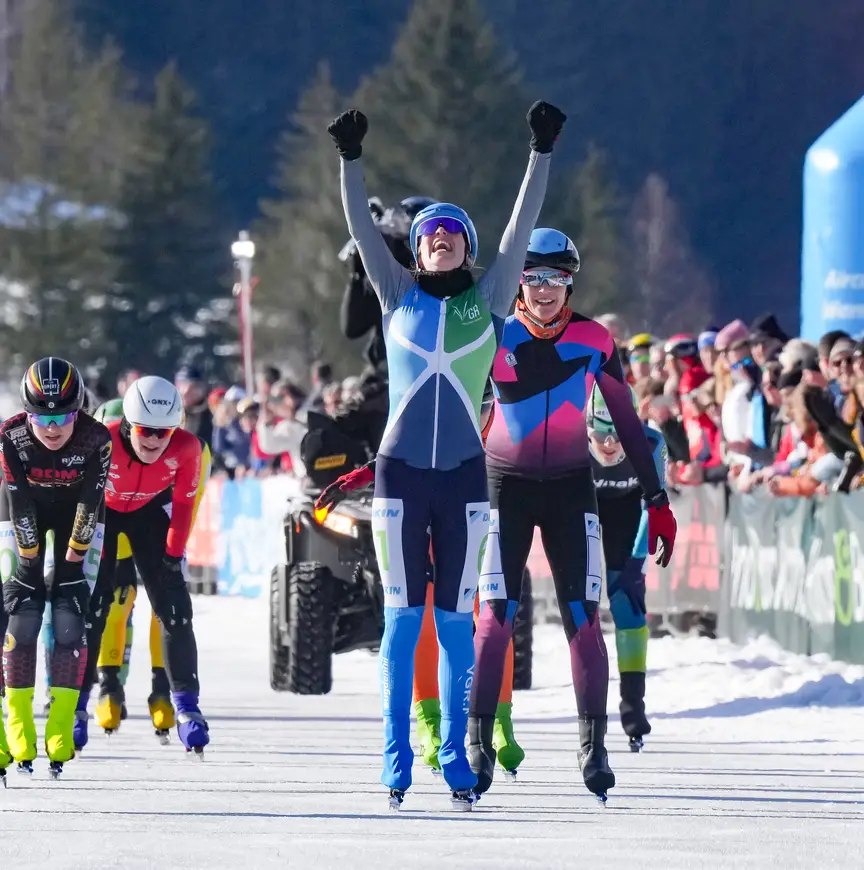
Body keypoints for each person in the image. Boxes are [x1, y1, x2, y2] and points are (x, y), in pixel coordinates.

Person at [328, 99, 565, 811]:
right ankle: (396, 761)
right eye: (428, 237)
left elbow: (521, 227)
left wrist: (541, 151)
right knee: (403, 623)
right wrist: (350, 159)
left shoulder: (493, 298)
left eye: (450, 236)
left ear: (466, 247)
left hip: (464, 479)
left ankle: (461, 757)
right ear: (417, 251)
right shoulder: (395, 292)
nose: (437, 243)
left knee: (458, 627)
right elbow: (360, 230)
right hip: (401, 476)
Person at [471, 228, 677, 802]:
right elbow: (443, 401)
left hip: (569, 489)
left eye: (556, 280)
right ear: (517, 283)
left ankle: (594, 746)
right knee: (494, 618)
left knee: (585, 620)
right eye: (532, 278)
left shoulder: (593, 338)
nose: (543, 291)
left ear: (570, 283)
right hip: (503, 488)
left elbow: (629, 423)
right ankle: (478, 741)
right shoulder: (491, 331)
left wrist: (656, 500)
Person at [75, 376, 210, 756]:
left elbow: (183, 506)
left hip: (149, 514)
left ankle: (186, 705)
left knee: (175, 608)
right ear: (130, 426)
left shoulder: (187, 448)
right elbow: (80, 500)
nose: (154, 440)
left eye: (164, 432)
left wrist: (172, 556)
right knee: (94, 608)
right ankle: (77, 703)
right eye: (146, 431)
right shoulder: (102, 439)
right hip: (102, 514)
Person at [0, 358, 111, 778]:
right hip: (19, 512)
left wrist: (71, 565)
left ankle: (61, 727)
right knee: (20, 614)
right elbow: (18, 501)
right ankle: (14, 723)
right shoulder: (10, 435)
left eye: (63, 416)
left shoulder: (96, 437)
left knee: (69, 617)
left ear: (79, 410)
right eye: (40, 417)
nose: (51, 427)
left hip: (78, 515)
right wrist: (28, 566)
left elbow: (89, 504)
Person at [586, 384, 666, 751]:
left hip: (626, 511)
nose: (609, 443)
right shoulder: (568, 441)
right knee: (582, 607)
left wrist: (637, 562)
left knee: (627, 605)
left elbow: (656, 504)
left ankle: (634, 704)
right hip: (581, 508)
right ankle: (589, 711)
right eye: (601, 432)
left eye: (619, 434)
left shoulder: (650, 444)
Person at [175, 366, 213, 447]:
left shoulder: (213, 414)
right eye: (182, 385)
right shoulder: (170, 414)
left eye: (193, 387)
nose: (186, 391)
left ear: (203, 389)